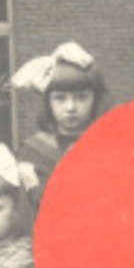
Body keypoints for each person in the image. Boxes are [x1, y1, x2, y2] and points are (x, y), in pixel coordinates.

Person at [13, 41, 109, 195]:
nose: (71, 107)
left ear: (96, 99)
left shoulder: (110, 148)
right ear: (48, 103)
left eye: (81, 97)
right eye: (60, 98)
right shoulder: (33, 151)